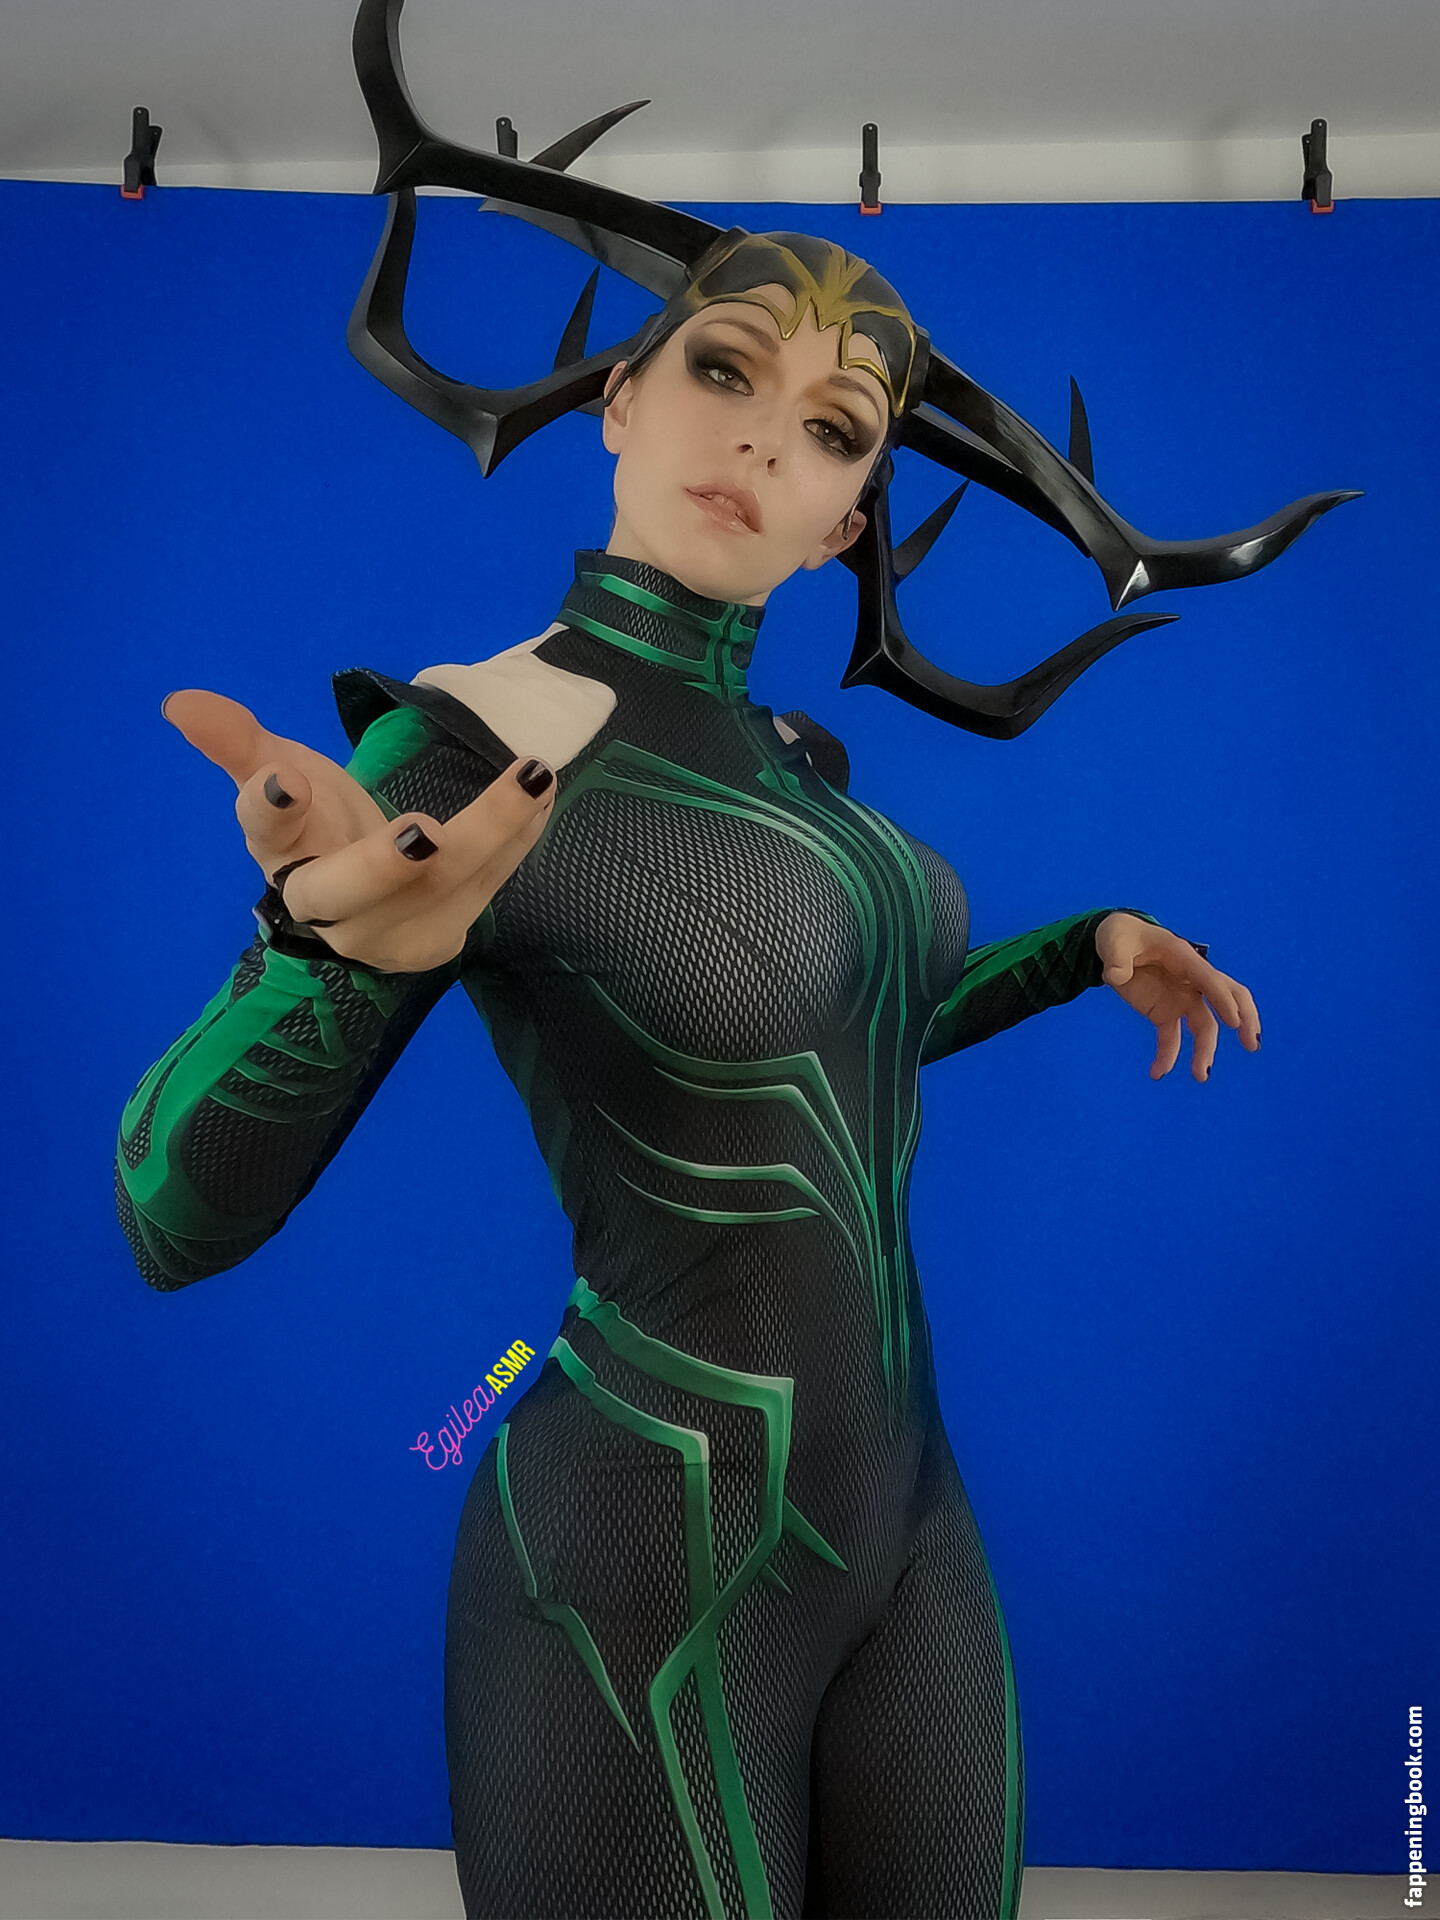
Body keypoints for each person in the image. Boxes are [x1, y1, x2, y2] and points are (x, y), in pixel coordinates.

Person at [116, 7, 1348, 1916]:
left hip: (909, 1529)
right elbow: (169, 1214)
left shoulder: (807, 768)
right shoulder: (462, 747)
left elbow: (835, 1027)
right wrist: (325, 951)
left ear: (848, 519)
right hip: (633, 1557)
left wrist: (1081, 949)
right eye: (724, 368)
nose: (767, 437)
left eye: (834, 429)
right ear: (620, 398)